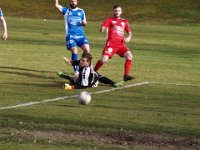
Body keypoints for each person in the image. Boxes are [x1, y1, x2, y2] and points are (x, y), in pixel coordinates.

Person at [94, 4, 134, 81]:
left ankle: (126, 75)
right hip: (111, 45)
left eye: (118, 10)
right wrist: (102, 28)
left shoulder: (124, 22)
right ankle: (93, 72)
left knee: (129, 56)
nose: (117, 12)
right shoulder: (109, 20)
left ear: (121, 12)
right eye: (115, 10)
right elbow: (103, 27)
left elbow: (130, 33)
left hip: (120, 45)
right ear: (113, 11)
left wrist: (128, 38)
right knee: (103, 60)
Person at [55, 0, 90, 76]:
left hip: (81, 36)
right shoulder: (66, 11)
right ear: (69, 2)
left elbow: (85, 22)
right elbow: (57, 5)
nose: (73, 3)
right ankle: (76, 71)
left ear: (76, 2)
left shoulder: (81, 11)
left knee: (87, 51)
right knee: (74, 51)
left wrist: (84, 23)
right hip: (71, 36)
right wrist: (56, 1)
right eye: (72, 1)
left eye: (74, 1)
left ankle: (85, 68)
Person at [57, 53, 122, 90]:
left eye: (83, 60)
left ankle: (66, 76)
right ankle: (113, 83)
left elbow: (84, 86)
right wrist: (70, 62)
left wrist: (71, 87)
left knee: (76, 80)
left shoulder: (85, 72)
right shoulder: (85, 63)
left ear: (88, 62)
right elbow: (77, 62)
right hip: (92, 76)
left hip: (91, 84)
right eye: (81, 60)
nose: (81, 61)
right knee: (77, 77)